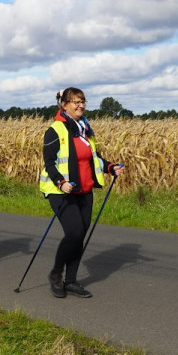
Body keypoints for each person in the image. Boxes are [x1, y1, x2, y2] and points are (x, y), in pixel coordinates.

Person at [40, 87, 125, 299]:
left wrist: (110, 167)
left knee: (80, 236)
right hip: (62, 192)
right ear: (64, 105)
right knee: (74, 232)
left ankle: (71, 281)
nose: (81, 105)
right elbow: (49, 163)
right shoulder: (55, 130)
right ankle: (55, 274)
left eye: (83, 101)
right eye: (76, 102)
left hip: (84, 189)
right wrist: (60, 182)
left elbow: (93, 157)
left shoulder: (85, 128)